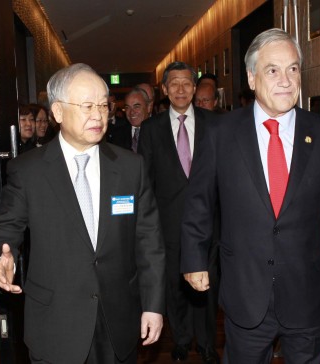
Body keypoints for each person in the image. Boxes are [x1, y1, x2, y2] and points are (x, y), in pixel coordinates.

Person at [181, 28, 320, 364]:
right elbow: (198, 202)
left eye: (293, 68)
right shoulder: (221, 134)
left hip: (307, 292)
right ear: (251, 78)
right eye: (272, 70)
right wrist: (194, 259)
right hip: (245, 292)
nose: (285, 79)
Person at [0, 63, 166, 364]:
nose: (98, 115)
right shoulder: (28, 171)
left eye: (103, 105)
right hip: (57, 324)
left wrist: (154, 306)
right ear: (57, 112)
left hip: (119, 320)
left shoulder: (131, 167)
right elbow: (4, 230)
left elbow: (149, 242)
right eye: (86, 106)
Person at [138, 61, 220, 364]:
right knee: (175, 288)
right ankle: (182, 340)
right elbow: (144, 183)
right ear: (164, 89)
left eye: (187, 83)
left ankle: (209, 344)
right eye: (174, 83)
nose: (181, 89)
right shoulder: (150, 129)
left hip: (211, 225)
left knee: (208, 289)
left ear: (195, 87)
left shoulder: (216, 124)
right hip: (168, 226)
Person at [108, 87, 150, 152]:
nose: (131, 112)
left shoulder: (160, 133)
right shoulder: (117, 135)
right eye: (127, 107)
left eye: (136, 106)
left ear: (148, 107)